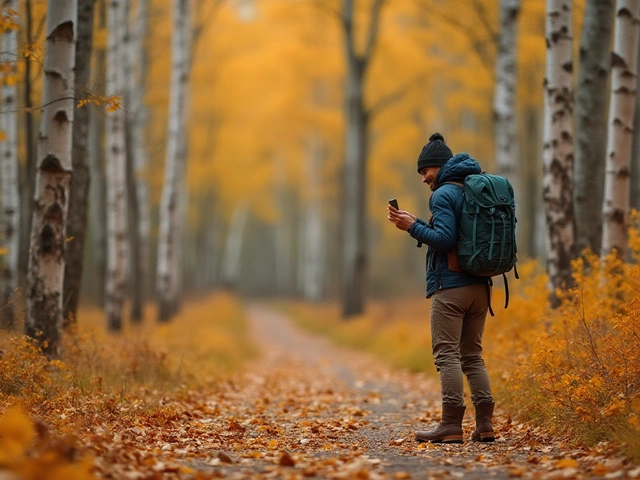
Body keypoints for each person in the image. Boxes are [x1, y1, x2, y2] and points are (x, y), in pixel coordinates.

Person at [387, 133, 495, 444]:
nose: (423, 178)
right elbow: (454, 234)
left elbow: (445, 241)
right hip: (480, 287)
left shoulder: (443, 194)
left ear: (438, 166)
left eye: (425, 171)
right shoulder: (472, 187)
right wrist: (418, 222)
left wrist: (412, 228)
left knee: (446, 354)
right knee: (473, 356)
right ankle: (485, 424)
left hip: (452, 288)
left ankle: (451, 424)